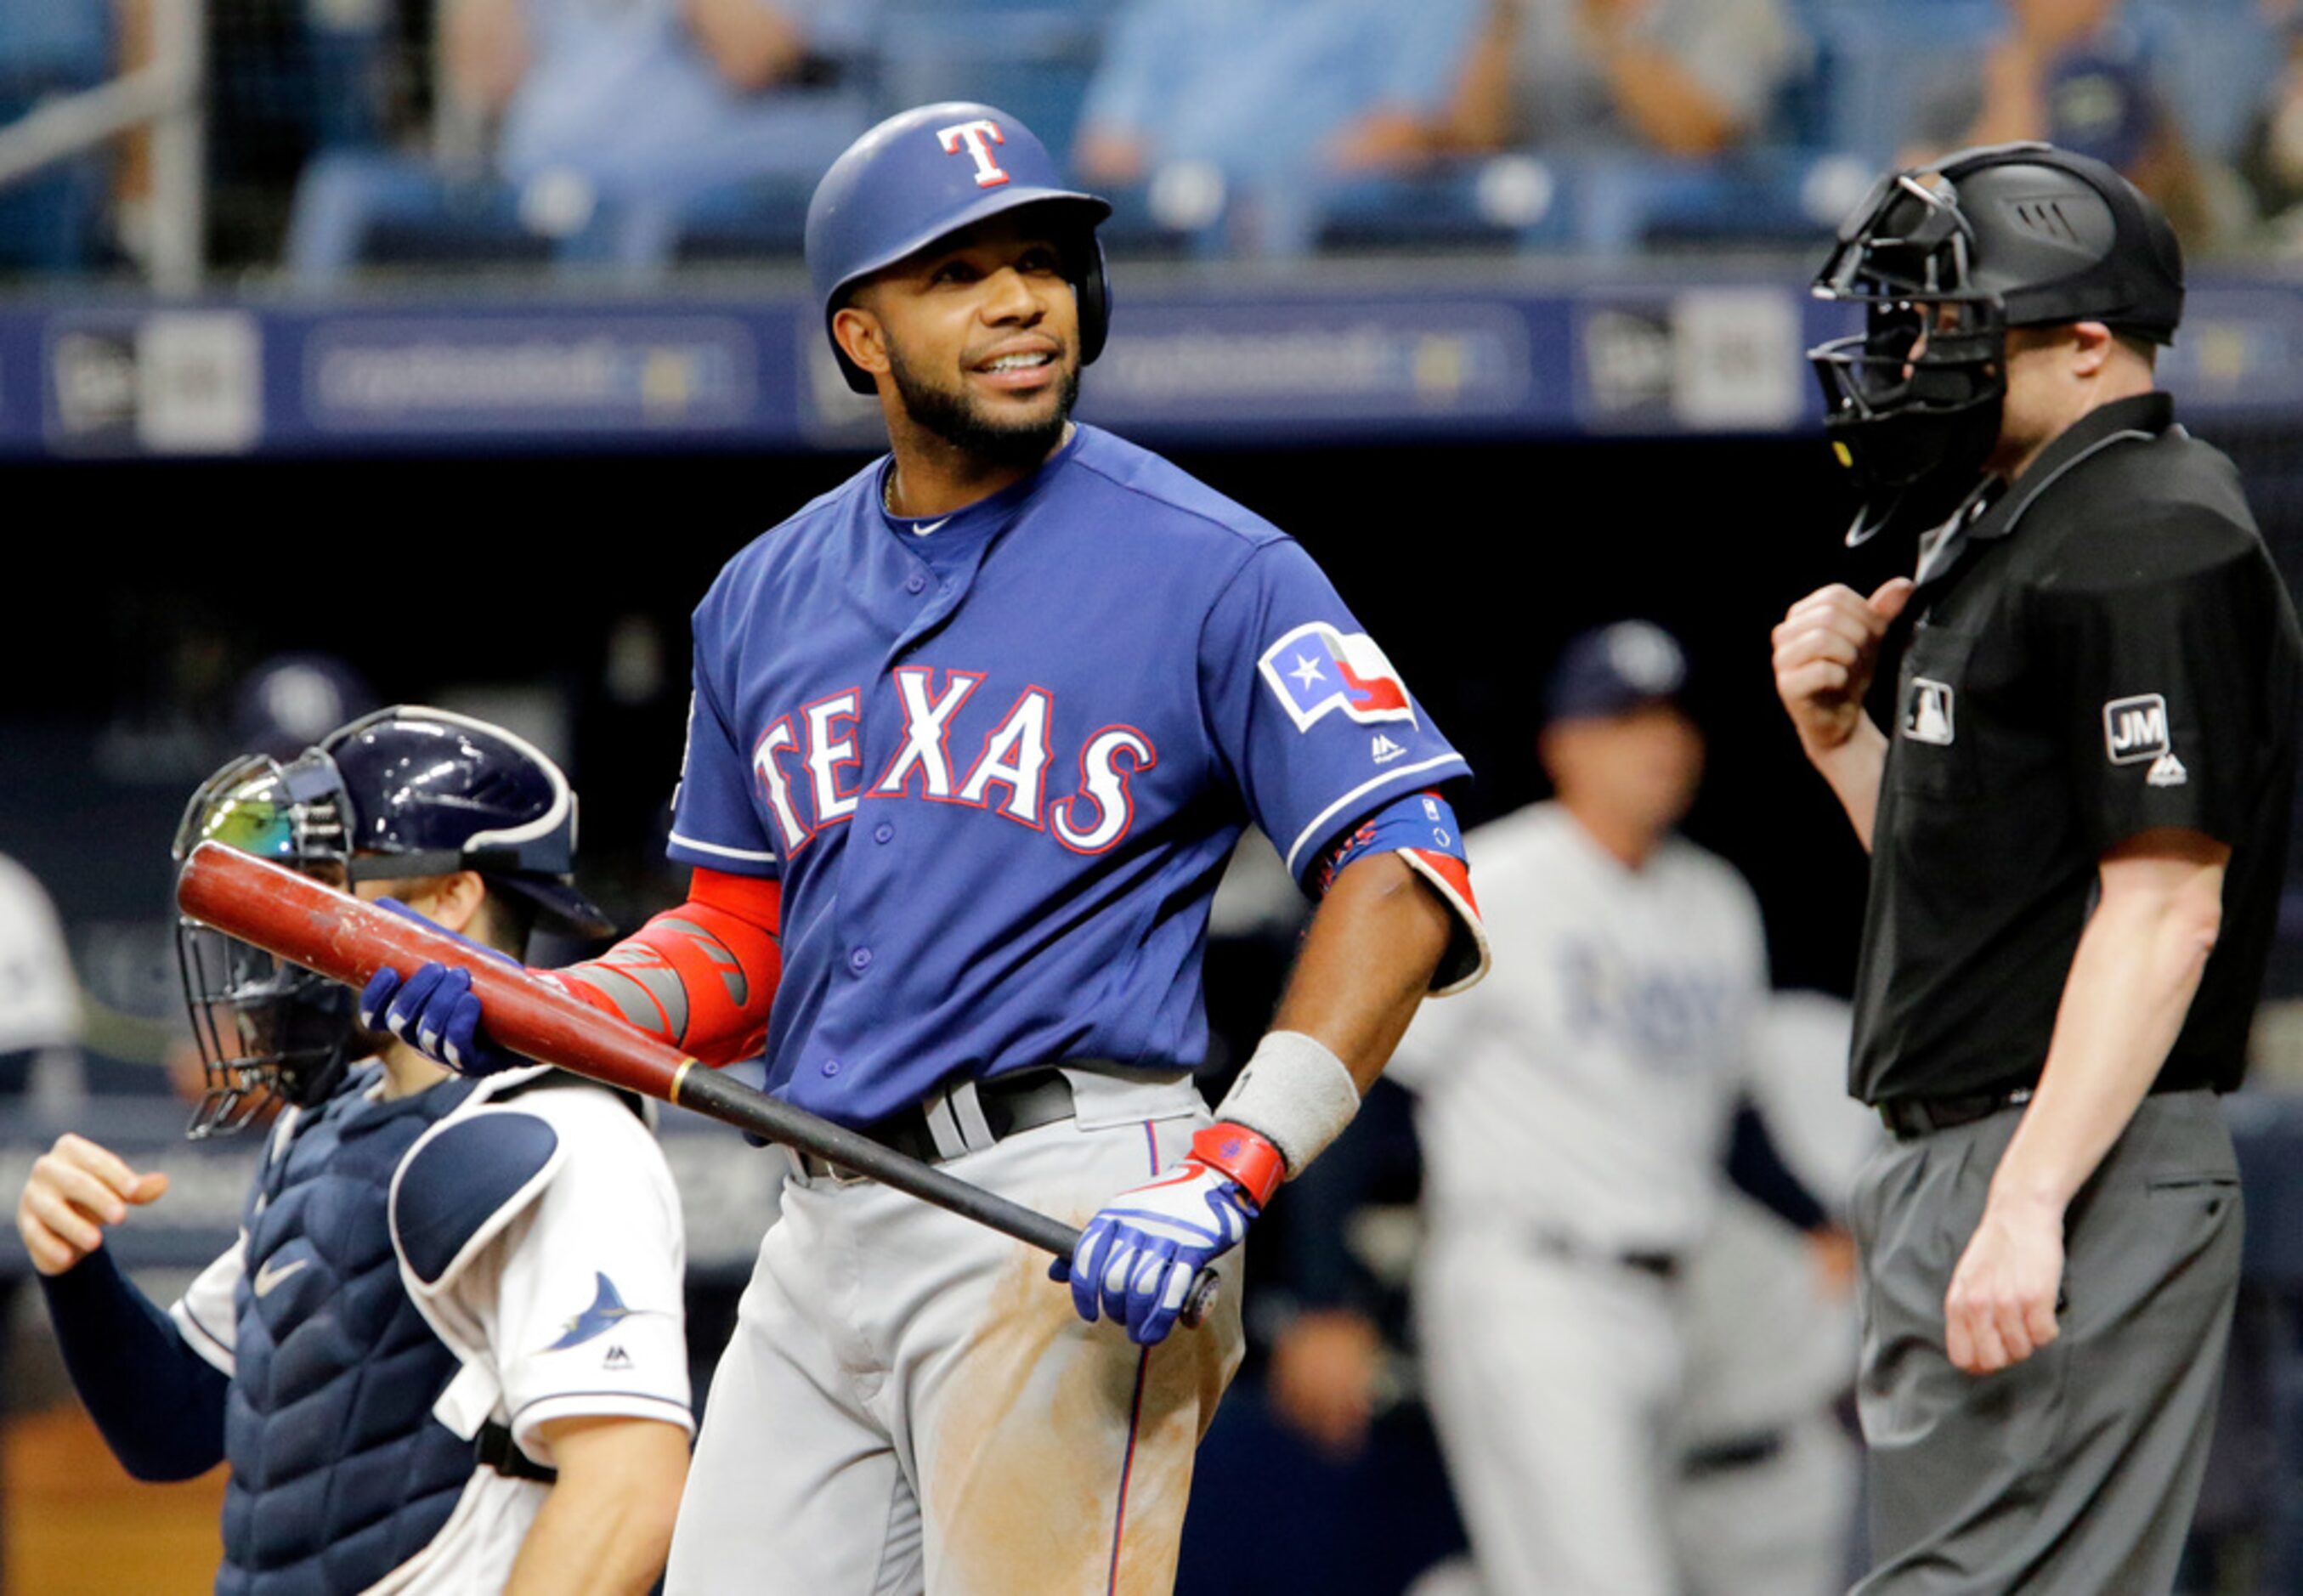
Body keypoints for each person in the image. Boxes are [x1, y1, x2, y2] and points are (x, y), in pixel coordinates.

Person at [363, 100, 1488, 1593]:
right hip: (823, 1212)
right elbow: (740, 939)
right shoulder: (761, 595)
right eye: (957, 273)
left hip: (1075, 1198)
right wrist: (553, 1011)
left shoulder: (1216, 564)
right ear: (863, 338)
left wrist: (1233, 1166)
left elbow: (1406, 869)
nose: (1021, 298)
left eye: (1041, 259)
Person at [1780, 140, 2303, 1590]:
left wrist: (2027, 1194)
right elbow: (1980, 895)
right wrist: (1842, 743)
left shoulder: (2150, 530)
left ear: (2085, 344)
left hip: (2067, 1151)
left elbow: (2165, 907)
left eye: (1950, 320)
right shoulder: (2017, 522)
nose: (1907, 352)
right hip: (1973, 1142)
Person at [16, 707, 695, 1593]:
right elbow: (172, 1427)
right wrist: (76, 1267)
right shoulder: (328, 1119)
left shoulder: (557, 1130)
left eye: (326, 885)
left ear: (453, 894)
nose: (289, 927)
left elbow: (630, 1491)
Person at [1389, 621, 1841, 1595]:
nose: (1660, 742)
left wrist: (1816, 1224)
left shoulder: (1717, 899)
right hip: (1532, 1285)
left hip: (1673, 1302)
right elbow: (1379, 1083)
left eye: (1673, 719)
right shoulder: (1491, 881)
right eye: (1625, 718)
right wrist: (1330, 1305)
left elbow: (1727, 1113)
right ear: (1564, 745)